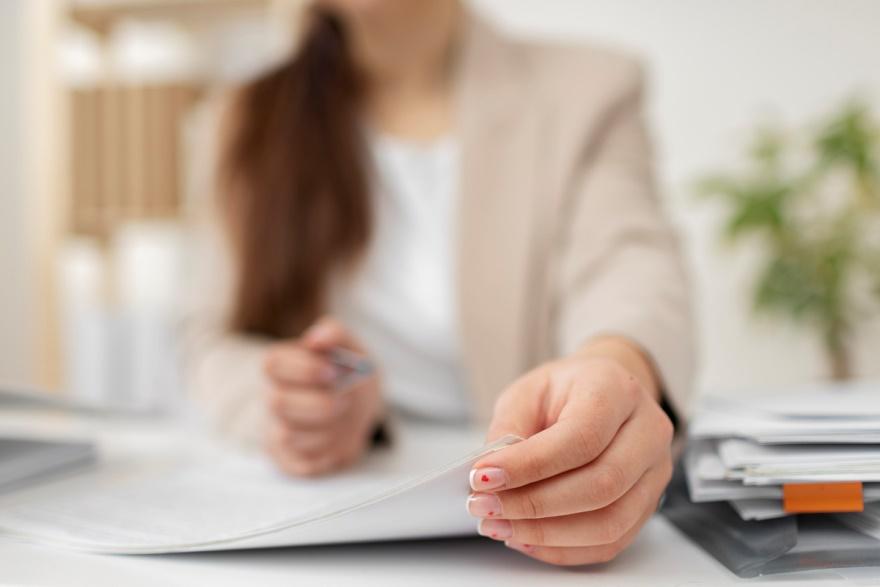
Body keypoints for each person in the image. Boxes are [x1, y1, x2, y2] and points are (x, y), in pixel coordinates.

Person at [183, 0, 694, 567]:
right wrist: (288, 404)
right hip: (327, 530)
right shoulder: (240, 117)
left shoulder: (590, 89)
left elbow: (629, 264)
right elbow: (211, 339)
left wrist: (613, 363)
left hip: (525, 536)